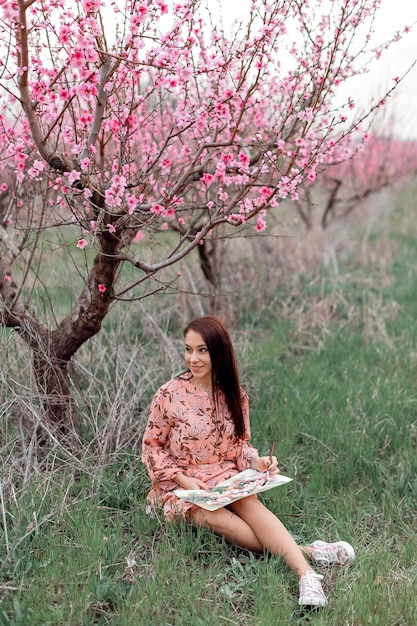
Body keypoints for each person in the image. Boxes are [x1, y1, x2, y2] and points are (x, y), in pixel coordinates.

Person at [141, 315, 355, 607]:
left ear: (219, 351)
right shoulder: (169, 395)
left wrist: (256, 461)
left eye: (202, 350)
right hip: (182, 485)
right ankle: (307, 552)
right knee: (215, 518)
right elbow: (152, 446)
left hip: (223, 475)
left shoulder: (234, 395)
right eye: (188, 349)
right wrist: (181, 478)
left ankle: (307, 577)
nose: (193, 358)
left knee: (249, 503)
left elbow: (238, 447)